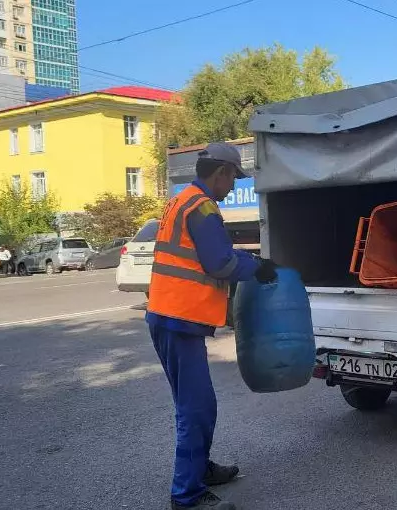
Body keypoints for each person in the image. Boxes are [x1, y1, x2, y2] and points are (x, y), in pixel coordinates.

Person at [146, 142, 277, 510]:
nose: (234, 186)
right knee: (196, 407)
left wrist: (249, 259)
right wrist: (258, 269)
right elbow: (219, 263)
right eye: (234, 177)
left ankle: (200, 469)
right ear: (220, 173)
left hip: (171, 316)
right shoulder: (203, 207)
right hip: (177, 319)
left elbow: (212, 255)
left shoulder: (183, 199)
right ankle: (186, 496)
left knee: (197, 404)